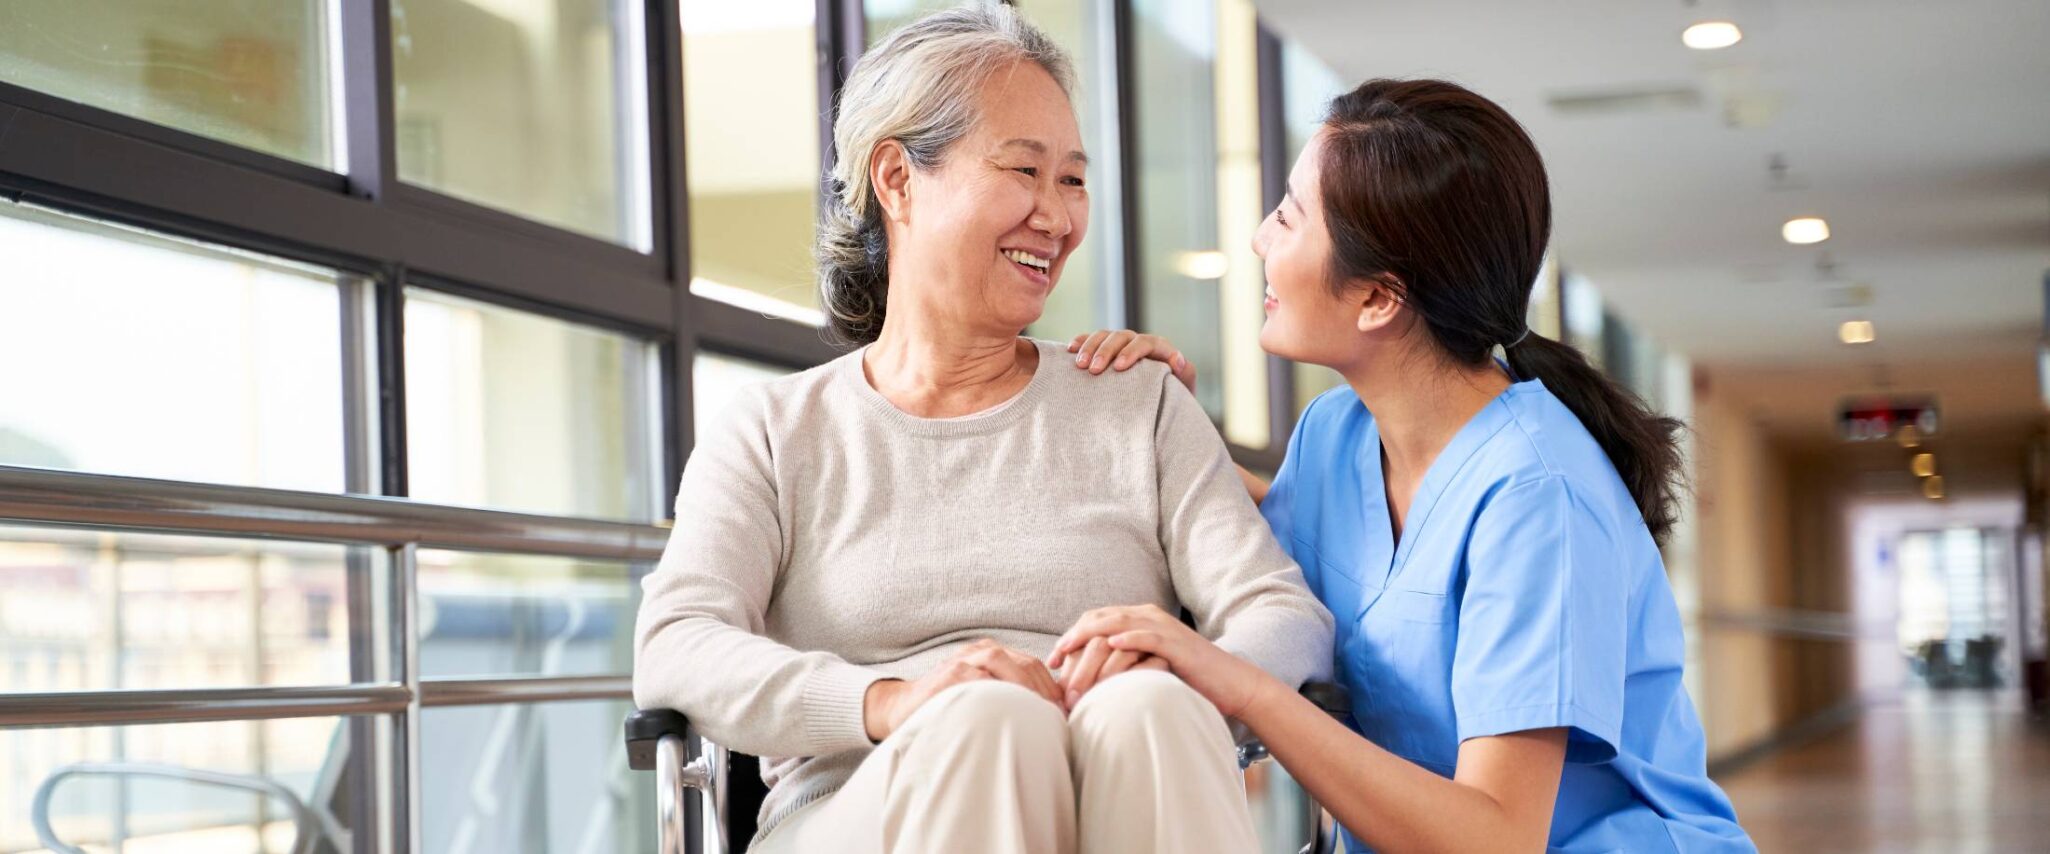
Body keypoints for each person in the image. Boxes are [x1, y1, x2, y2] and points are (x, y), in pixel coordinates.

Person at [631, 6, 1333, 854]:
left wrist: (1183, 666)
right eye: (1023, 170)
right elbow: (677, 645)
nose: (1057, 215)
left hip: (1114, 797)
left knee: (1152, 704)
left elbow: (1282, 613)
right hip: (858, 809)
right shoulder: (775, 432)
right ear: (896, 179)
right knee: (993, 720)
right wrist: (891, 700)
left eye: (1071, 179)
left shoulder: (1135, 400)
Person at [1061, 78, 1755, 852]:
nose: (1260, 238)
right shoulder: (1335, 434)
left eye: (1288, 217)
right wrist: (1162, 425)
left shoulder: (1537, 496)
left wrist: (1246, 688)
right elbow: (1260, 553)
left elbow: (1496, 838)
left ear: (1379, 300)